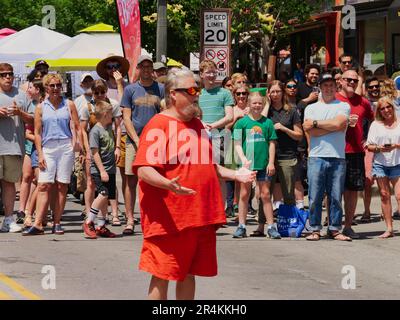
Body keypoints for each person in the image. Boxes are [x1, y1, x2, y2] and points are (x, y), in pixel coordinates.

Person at [131, 69, 255, 300]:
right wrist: (168, 184)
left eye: (197, 90)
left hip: (199, 216)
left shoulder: (198, 125)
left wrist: (237, 175)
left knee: (188, 273)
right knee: (162, 273)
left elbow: (208, 166)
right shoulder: (159, 124)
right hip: (169, 217)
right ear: (172, 94)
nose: (196, 94)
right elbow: (144, 169)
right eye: (190, 90)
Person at [23, 74, 82, 235]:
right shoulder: (41, 107)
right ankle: (38, 223)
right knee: (43, 184)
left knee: (62, 185)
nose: (55, 89)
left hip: (65, 146)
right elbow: (37, 132)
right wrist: (40, 154)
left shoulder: (69, 104)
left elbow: (77, 126)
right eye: (52, 86)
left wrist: (77, 144)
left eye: (58, 85)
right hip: (48, 147)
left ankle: (57, 222)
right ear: (46, 88)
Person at [303, 73, 351, 241]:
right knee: (314, 196)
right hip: (317, 156)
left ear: (336, 87)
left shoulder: (343, 106)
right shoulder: (310, 108)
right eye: (325, 85)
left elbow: (339, 124)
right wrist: (333, 126)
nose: (328, 88)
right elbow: (309, 130)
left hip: (337, 156)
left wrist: (317, 124)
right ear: (320, 88)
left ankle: (335, 229)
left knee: (336, 196)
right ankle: (315, 229)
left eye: (331, 85)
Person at [121, 55, 164, 236]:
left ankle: (153, 218)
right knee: (131, 180)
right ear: (138, 68)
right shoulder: (130, 90)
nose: (146, 70)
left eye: (149, 66)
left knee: (154, 182)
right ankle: (130, 219)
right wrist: (137, 140)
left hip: (155, 141)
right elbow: (126, 117)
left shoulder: (160, 88)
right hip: (134, 141)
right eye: (143, 66)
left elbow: (164, 113)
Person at [233, 92, 279, 239]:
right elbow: (237, 143)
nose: (257, 106)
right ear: (249, 104)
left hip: (263, 164)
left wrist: (271, 162)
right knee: (244, 194)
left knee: (265, 195)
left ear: (263, 104)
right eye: (254, 103)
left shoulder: (267, 123)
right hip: (247, 165)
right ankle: (241, 226)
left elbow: (272, 144)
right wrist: (243, 159)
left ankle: (271, 227)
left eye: (260, 103)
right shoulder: (241, 123)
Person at [336, 69, 374, 239]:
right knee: (334, 191)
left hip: (356, 152)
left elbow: (375, 120)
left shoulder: (363, 102)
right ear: (341, 81)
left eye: (355, 81)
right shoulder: (333, 99)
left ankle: (348, 226)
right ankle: (333, 226)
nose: (351, 83)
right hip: (335, 151)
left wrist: (369, 140)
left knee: (352, 191)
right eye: (348, 80)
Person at [80, 80, 122, 228]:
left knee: (110, 183)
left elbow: (118, 128)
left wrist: (117, 147)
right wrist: (87, 150)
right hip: (94, 148)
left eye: (102, 92)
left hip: (108, 148)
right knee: (92, 182)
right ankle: (90, 214)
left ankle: (112, 214)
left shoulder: (112, 105)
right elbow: (83, 130)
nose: (99, 95)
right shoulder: (88, 108)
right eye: (96, 92)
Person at [0, 63, 33, 233]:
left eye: (10, 74)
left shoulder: (22, 95)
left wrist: (20, 113)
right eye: (3, 74)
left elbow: (34, 120)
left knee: (9, 184)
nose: (7, 77)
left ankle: (8, 219)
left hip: (13, 147)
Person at [82, 101, 118, 239]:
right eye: (110, 114)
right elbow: (95, 153)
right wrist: (102, 170)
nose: (112, 116)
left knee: (107, 196)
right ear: (104, 114)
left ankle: (101, 225)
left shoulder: (108, 127)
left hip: (110, 168)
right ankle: (89, 221)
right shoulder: (95, 130)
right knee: (103, 193)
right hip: (99, 170)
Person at [366, 97, 400, 238]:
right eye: (382, 108)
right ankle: (389, 228)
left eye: (388, 107)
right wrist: (379, 149)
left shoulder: (399, 123)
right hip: (380, 164)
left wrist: (396, 146)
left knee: (399, 195)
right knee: (385, 196)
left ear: (393, 107)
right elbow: (369, 146)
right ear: (379, 111)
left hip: (397, 163)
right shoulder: (375, 125)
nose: (386, 110)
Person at [16, 80, 46, 225]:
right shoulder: (29, 103)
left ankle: (35, 211)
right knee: (27, 177)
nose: (29, 90)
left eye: (32, 87)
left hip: (41, 147)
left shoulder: (46, 104)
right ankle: (23, 210)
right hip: (31, 145)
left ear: (39, 90)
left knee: (38, 179)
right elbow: (28, 129)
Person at [225, 84, 250, 218]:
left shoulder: (252, 108)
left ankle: (247, 204)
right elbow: (226, 127)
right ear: (234, 95)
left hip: (249, 145)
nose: (241, 96)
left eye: (244, 93)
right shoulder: (231, 109)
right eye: (238, 94)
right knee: (231, 177)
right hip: (232, 144)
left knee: (247, 175)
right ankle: (230, 205)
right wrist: (236, 118)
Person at [361, 76, 380, 222]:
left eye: (376, 86)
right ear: (366, 89)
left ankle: (387, 211)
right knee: (367, 181)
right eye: (371, 87)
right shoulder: (364, 103)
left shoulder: (386, 103)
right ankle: (367, 212)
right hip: (367, 145)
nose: (374, 89)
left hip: (384, 147)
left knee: (384, 180)